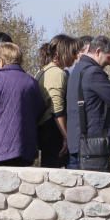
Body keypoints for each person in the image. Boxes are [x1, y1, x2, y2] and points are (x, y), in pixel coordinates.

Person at [65, 35, 110, 172]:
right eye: (109, 57)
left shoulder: (78, 70)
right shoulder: (94, 73)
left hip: (77, 143)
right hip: (91, 147)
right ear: (98, 52)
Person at [36, 34, 77, 168]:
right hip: (53, 130)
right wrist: (66, 136)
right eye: (73, 52)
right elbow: (56, 107)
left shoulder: (43, 71)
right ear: (62, 53)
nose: (75, 56)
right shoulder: (57, 73)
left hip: (45, 128)